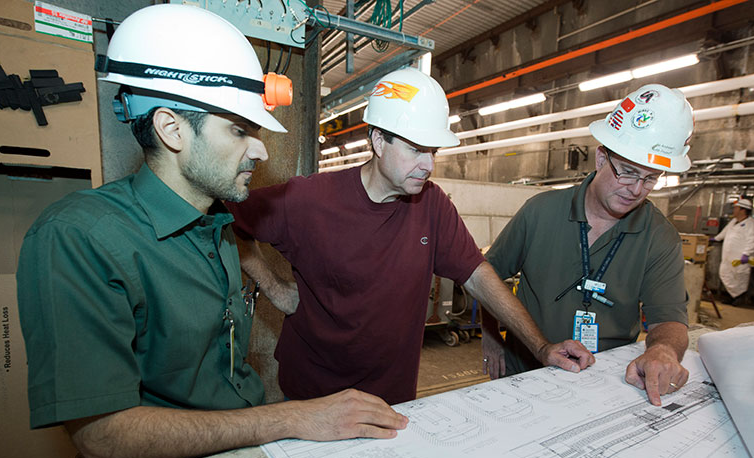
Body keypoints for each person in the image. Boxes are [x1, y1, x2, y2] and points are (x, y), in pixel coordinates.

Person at [16, 5, 407, 458]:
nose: (261, 150)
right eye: (239, 131)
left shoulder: (216, 222)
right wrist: (292, 418)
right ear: (171, 129)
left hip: (245, 456)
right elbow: (102, 435)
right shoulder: (78, 238)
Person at [229, 67, 594, 406]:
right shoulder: (308, 200)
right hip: (314, 395)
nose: (429, 164)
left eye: (432, 151)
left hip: (394, 398)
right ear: (378, 141)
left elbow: (479, 278)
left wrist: (541, 346)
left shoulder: (432, 206)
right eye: (416, 149)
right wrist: (274, 288)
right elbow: (226, 219)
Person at [482, 84, 693, 407]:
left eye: (651, 178)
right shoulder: (540, 212)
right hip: (526, 369)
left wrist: (664, 349)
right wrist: (492, 335)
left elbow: (669, 319)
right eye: (628, 172)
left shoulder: (660, 237)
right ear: (600, 157)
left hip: (605, 381)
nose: (636, 189)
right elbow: (489, 277)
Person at [713, 198, 754, 306]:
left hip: (740, 258)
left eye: (736, 208)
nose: (734, 210)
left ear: (743, 210)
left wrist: (746, 254)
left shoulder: (752, 224)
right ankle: (733, 296)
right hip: (728, 257)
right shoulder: (733, 222)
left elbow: (752, 240)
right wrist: (715, 239)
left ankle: (740, 298)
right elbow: (724, 233)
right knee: (725, 274)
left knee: (740, 277)